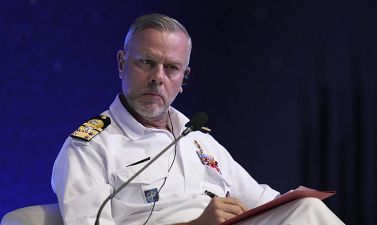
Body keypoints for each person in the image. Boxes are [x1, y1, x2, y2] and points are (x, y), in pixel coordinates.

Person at [51, 13, 344, 225]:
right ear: (121, 63)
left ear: (184, 78)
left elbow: (262, 202)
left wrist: (292, 201)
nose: (157, 78)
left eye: (172, 68)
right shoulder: (90, 147)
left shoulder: (196, 138)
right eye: (146, 63)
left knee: (305, 209)